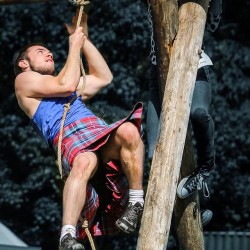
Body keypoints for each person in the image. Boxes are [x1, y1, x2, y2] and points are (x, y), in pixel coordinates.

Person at [13, 11, 145, 250]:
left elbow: (103, 77)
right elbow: (66, 84)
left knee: (128, 131)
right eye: (40, 52)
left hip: (95, 129)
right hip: (70, 136)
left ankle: (136, 203)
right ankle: (67, 235)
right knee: (84, 161)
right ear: (24, 63)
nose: (49, 53)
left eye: (48, 51)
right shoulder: (24, 81)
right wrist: (73, 47)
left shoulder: (65, 85)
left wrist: (81, 38)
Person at [146, 0, 222, 225]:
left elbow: (214, 25)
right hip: (158, 71)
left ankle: (205, 170)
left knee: (198, 113)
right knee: (154, 153)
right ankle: (189, 213)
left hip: (195, 65)